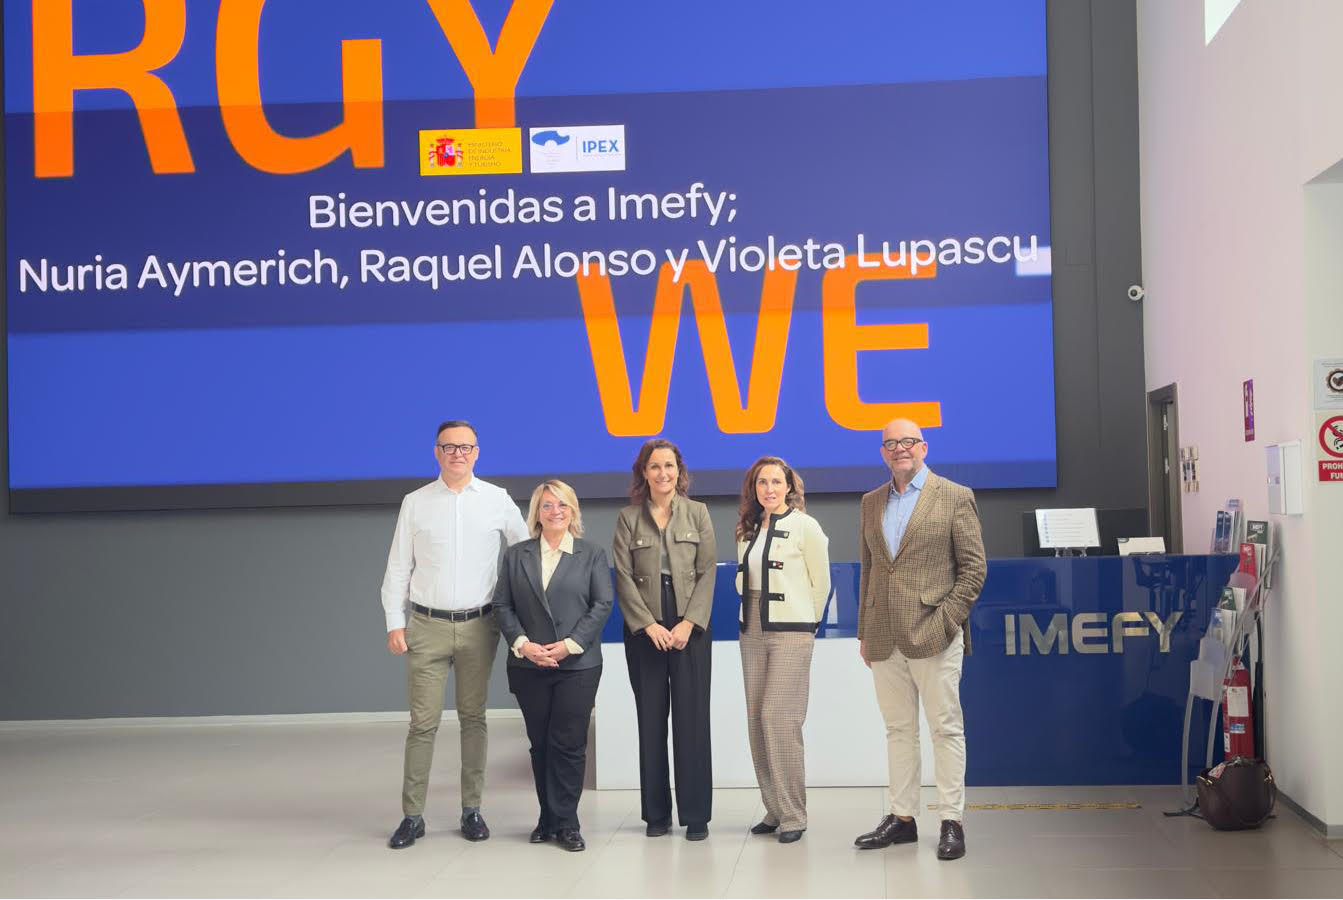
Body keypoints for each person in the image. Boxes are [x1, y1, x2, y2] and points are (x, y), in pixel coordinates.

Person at [380, 419, 528, 849]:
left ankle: (472, 810)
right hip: (425, 625)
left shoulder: (497, 500)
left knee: (473, 718)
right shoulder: (416, 503)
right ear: (436, 452)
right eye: (449, 447)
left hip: (481, 626)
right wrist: (395, 621)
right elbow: (397, 567)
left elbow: (524, 554)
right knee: (422, 723)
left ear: (477, 453)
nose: (457, 454)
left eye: (465, 447)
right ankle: (412, 816)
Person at [853, 418, 986, 861]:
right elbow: (870, 570)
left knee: (945, 728)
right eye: (890, 444)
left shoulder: (954, 496)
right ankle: (902, 819)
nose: (899, 449)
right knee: (898, 731)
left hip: (935, 634)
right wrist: (863, 631)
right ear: (883, 452)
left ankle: (952, 821)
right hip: (883, 637)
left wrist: (945, 622)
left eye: (907, 442)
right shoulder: (871, 502)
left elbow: (973, 571)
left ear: (923, 447)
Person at [492, 480, 614, 852]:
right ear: (537, 514)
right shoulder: (517, 555)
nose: (555, 511)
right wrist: (524, 645)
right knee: (541, 743)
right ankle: (547, 818)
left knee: (569, 743)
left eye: (562, 505)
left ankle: (568, 822)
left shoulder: (591, 554)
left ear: (573, 511)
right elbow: (502, 606)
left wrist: (569, 645)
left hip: (577, 665)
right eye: (547, 505)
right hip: (529, 665)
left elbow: (601, 604)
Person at [611, 438, 717, 840]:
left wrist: (689, 623)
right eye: (654, 467)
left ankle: (696, 815)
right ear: (644, 473)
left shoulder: (699, 513)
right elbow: (622, 575)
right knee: (651, 721)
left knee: (692, 722)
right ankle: (656, 815)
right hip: (646, 631)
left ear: (679, 470)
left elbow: (708, 572)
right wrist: (647, 624)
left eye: (669, 466)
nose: (662, 473)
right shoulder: (628, 519)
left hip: (689, 628)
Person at [734, 456, 830, 844]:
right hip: (752, 627)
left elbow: (820, 582)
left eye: (776, 482)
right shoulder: (746, 529)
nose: (769, 489)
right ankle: (773, 808)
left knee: (780, 718)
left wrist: (809, 623)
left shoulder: (806, 527)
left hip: (792, 630)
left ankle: (794, 814)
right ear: (753, 487)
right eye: (762, 482)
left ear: (789, 487)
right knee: (757, 718)